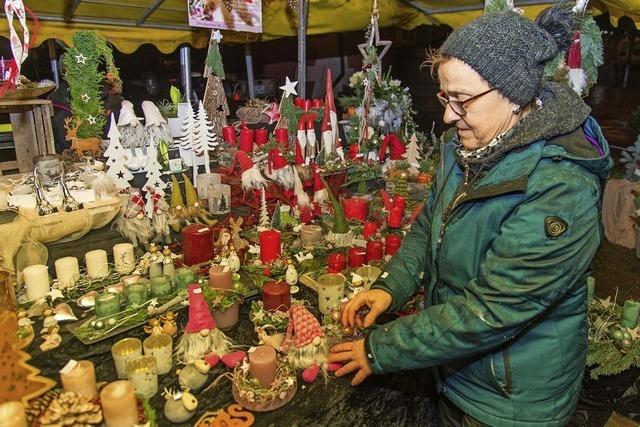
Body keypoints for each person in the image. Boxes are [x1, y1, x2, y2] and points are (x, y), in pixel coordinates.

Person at [327, 4, 612, 426]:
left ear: (514, 96)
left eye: (461, 100)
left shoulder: (560, 188)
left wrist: (381, 348)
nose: (447, 115)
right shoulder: (463, 147)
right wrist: (393, 286)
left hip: (510, 403)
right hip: (458, 376)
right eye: (445, 97)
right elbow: (429, 226)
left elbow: (492, 309)